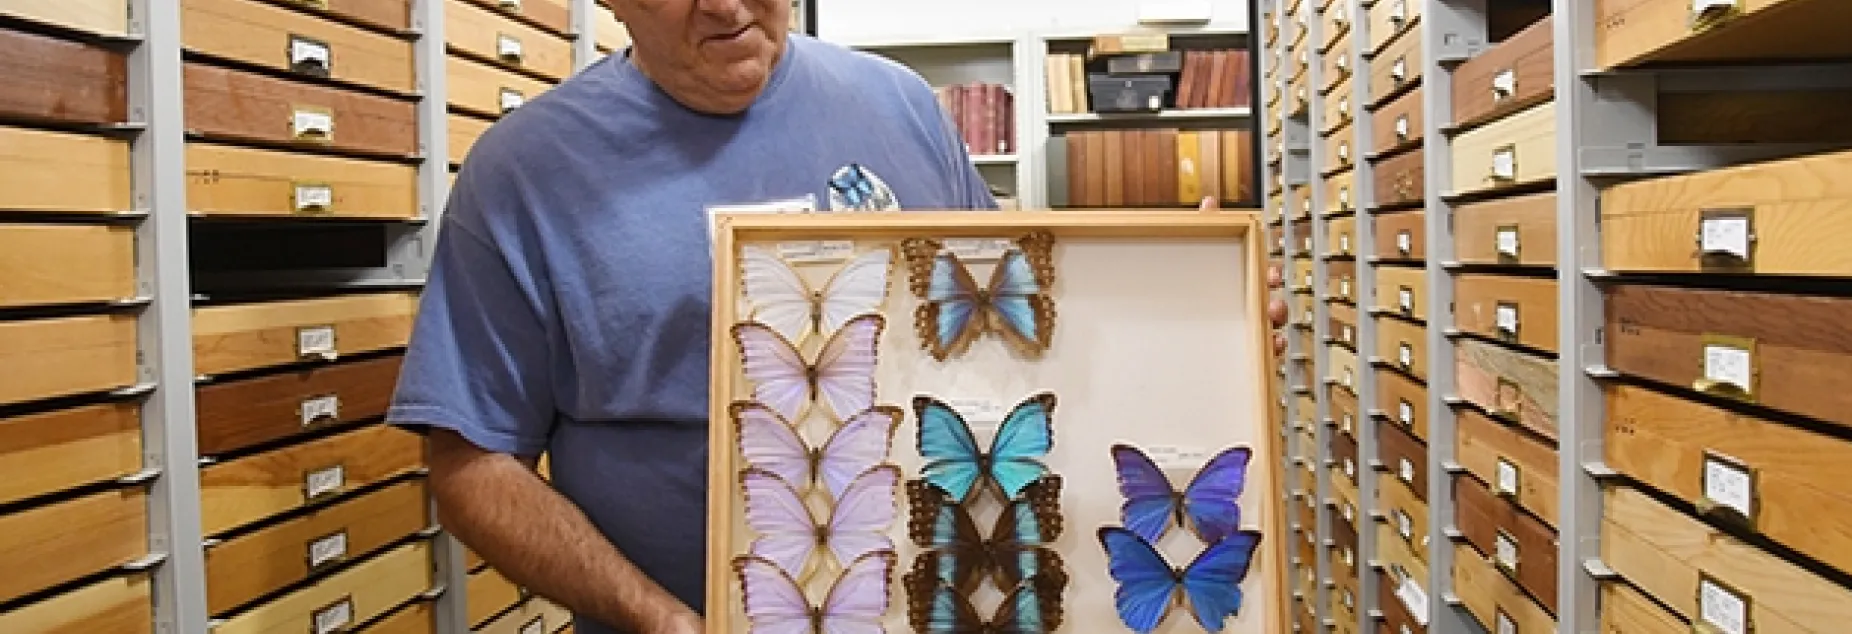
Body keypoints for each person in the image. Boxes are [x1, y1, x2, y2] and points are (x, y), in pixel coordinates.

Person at [386, 0, 1291, 632]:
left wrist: (1187, 318)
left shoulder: (898, 106)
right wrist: (656, 618)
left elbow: (1013, 352)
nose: (724, 5)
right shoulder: (526, 173)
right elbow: (470, 460)